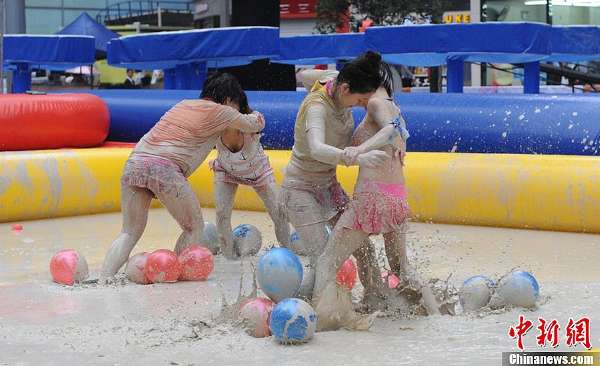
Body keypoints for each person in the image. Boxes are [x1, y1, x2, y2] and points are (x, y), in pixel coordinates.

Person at [312, 63, 442, 331]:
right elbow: (396, 131)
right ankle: (438, 319)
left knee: (327, 260)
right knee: (401, 268)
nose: (358, 101)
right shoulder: (394, 106)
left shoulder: (375, 104)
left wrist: (356, 151)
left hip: (372, 199)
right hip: (396, 198)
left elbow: (390, 131)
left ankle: (314, 322)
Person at [100, 73, 265, 281]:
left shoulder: (183, 104)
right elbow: (255, 124)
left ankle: (104, 278)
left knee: (129, 232)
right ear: (229, 99)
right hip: (165, 169)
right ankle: (172, 274)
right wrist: (253, 114)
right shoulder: (223, 111)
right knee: (194, 227)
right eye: (236, 103)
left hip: (135, 162)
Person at [279, 51, 396, 300]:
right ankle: (309, 310)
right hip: (299, 189)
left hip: (329, 186)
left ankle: (375, 298)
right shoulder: (316, 108)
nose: (365, 106)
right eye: (361, 100)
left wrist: (308, 77)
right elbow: (317, 148)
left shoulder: (333, 79)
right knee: (323, 257)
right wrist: (355, 157)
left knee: (362, 246)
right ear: (344, 90)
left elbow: (305, 74)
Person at [210, 92, 290, 258]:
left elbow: (259, 123)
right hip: (226, 170)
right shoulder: (214, 125)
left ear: (240, 104)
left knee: (279, 212)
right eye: (221, 104)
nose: (226, 109)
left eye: (230, 103)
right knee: (221, 214)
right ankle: (228, 257)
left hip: (258, 171)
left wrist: (237, 120)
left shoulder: (254, 120)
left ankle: (287, 253)